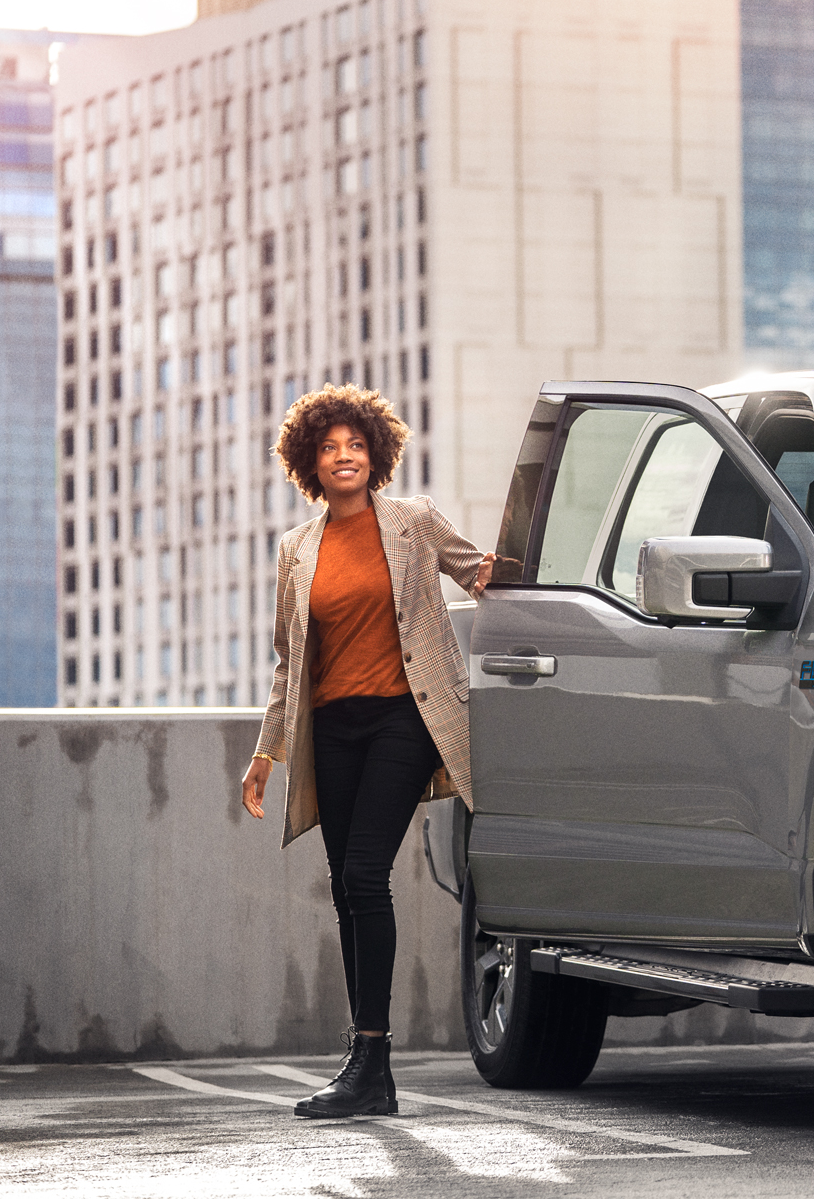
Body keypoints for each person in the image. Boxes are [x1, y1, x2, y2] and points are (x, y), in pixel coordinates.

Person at [241, 384, 493, 1119]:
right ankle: (368, 1069)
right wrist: (265, 755)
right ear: (309, 463)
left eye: (355, 443)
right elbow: (289, 661)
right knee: (347, 891)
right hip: (333, 727)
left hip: (403, 719)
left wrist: (541, 581)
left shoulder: (413, 522)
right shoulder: (297, 549)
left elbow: (477, 570)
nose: (343, 455)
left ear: (375, 453)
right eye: (329, 447)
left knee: (364, 873)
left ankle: (371, 1057)